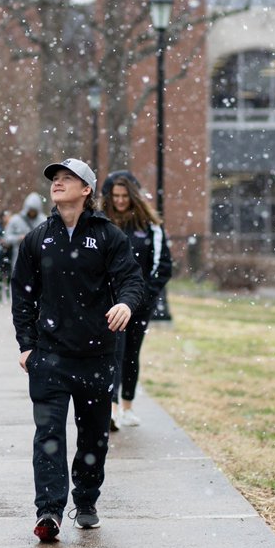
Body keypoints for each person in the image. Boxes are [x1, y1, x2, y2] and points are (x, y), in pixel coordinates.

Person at [11, 158, 144, 542]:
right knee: (48, 434)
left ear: (86, 190)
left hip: (97, 355)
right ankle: (49, 511)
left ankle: (85, 501)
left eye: (67, 178)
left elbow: (132, 280)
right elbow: (23, 295)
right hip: (50, 356)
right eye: (55, 178)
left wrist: (126, 304)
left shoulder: (107, 236)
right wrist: (26, 346)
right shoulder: (38, 239)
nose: (57, 183)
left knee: (93, 436)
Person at [101, 170, 173, 430]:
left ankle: (127, 406)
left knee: (131, 352)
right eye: (115, 196)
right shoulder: (103, 223)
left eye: (124, 196)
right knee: (113, 352)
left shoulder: (150, 225)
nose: (120, 201)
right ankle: (111, 408)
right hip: (112, 301)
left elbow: (163, 265)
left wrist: (145, 295)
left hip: (141, 302)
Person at [2, 192, 46, 269]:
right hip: (20, 257)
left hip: (39, 258)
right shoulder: (15, 220)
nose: (32, 213)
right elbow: (6, 238)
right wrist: (19, 238)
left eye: (34, 211)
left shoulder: (44, 220)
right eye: (30, 210)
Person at [0, 209, 11, 302]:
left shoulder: (11, 226)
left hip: (9, 253)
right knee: (0, 273)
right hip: (1, 253)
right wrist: (1, 242)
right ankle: (0, 294)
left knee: (9, 274)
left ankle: (7, 294)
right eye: (6, 216)